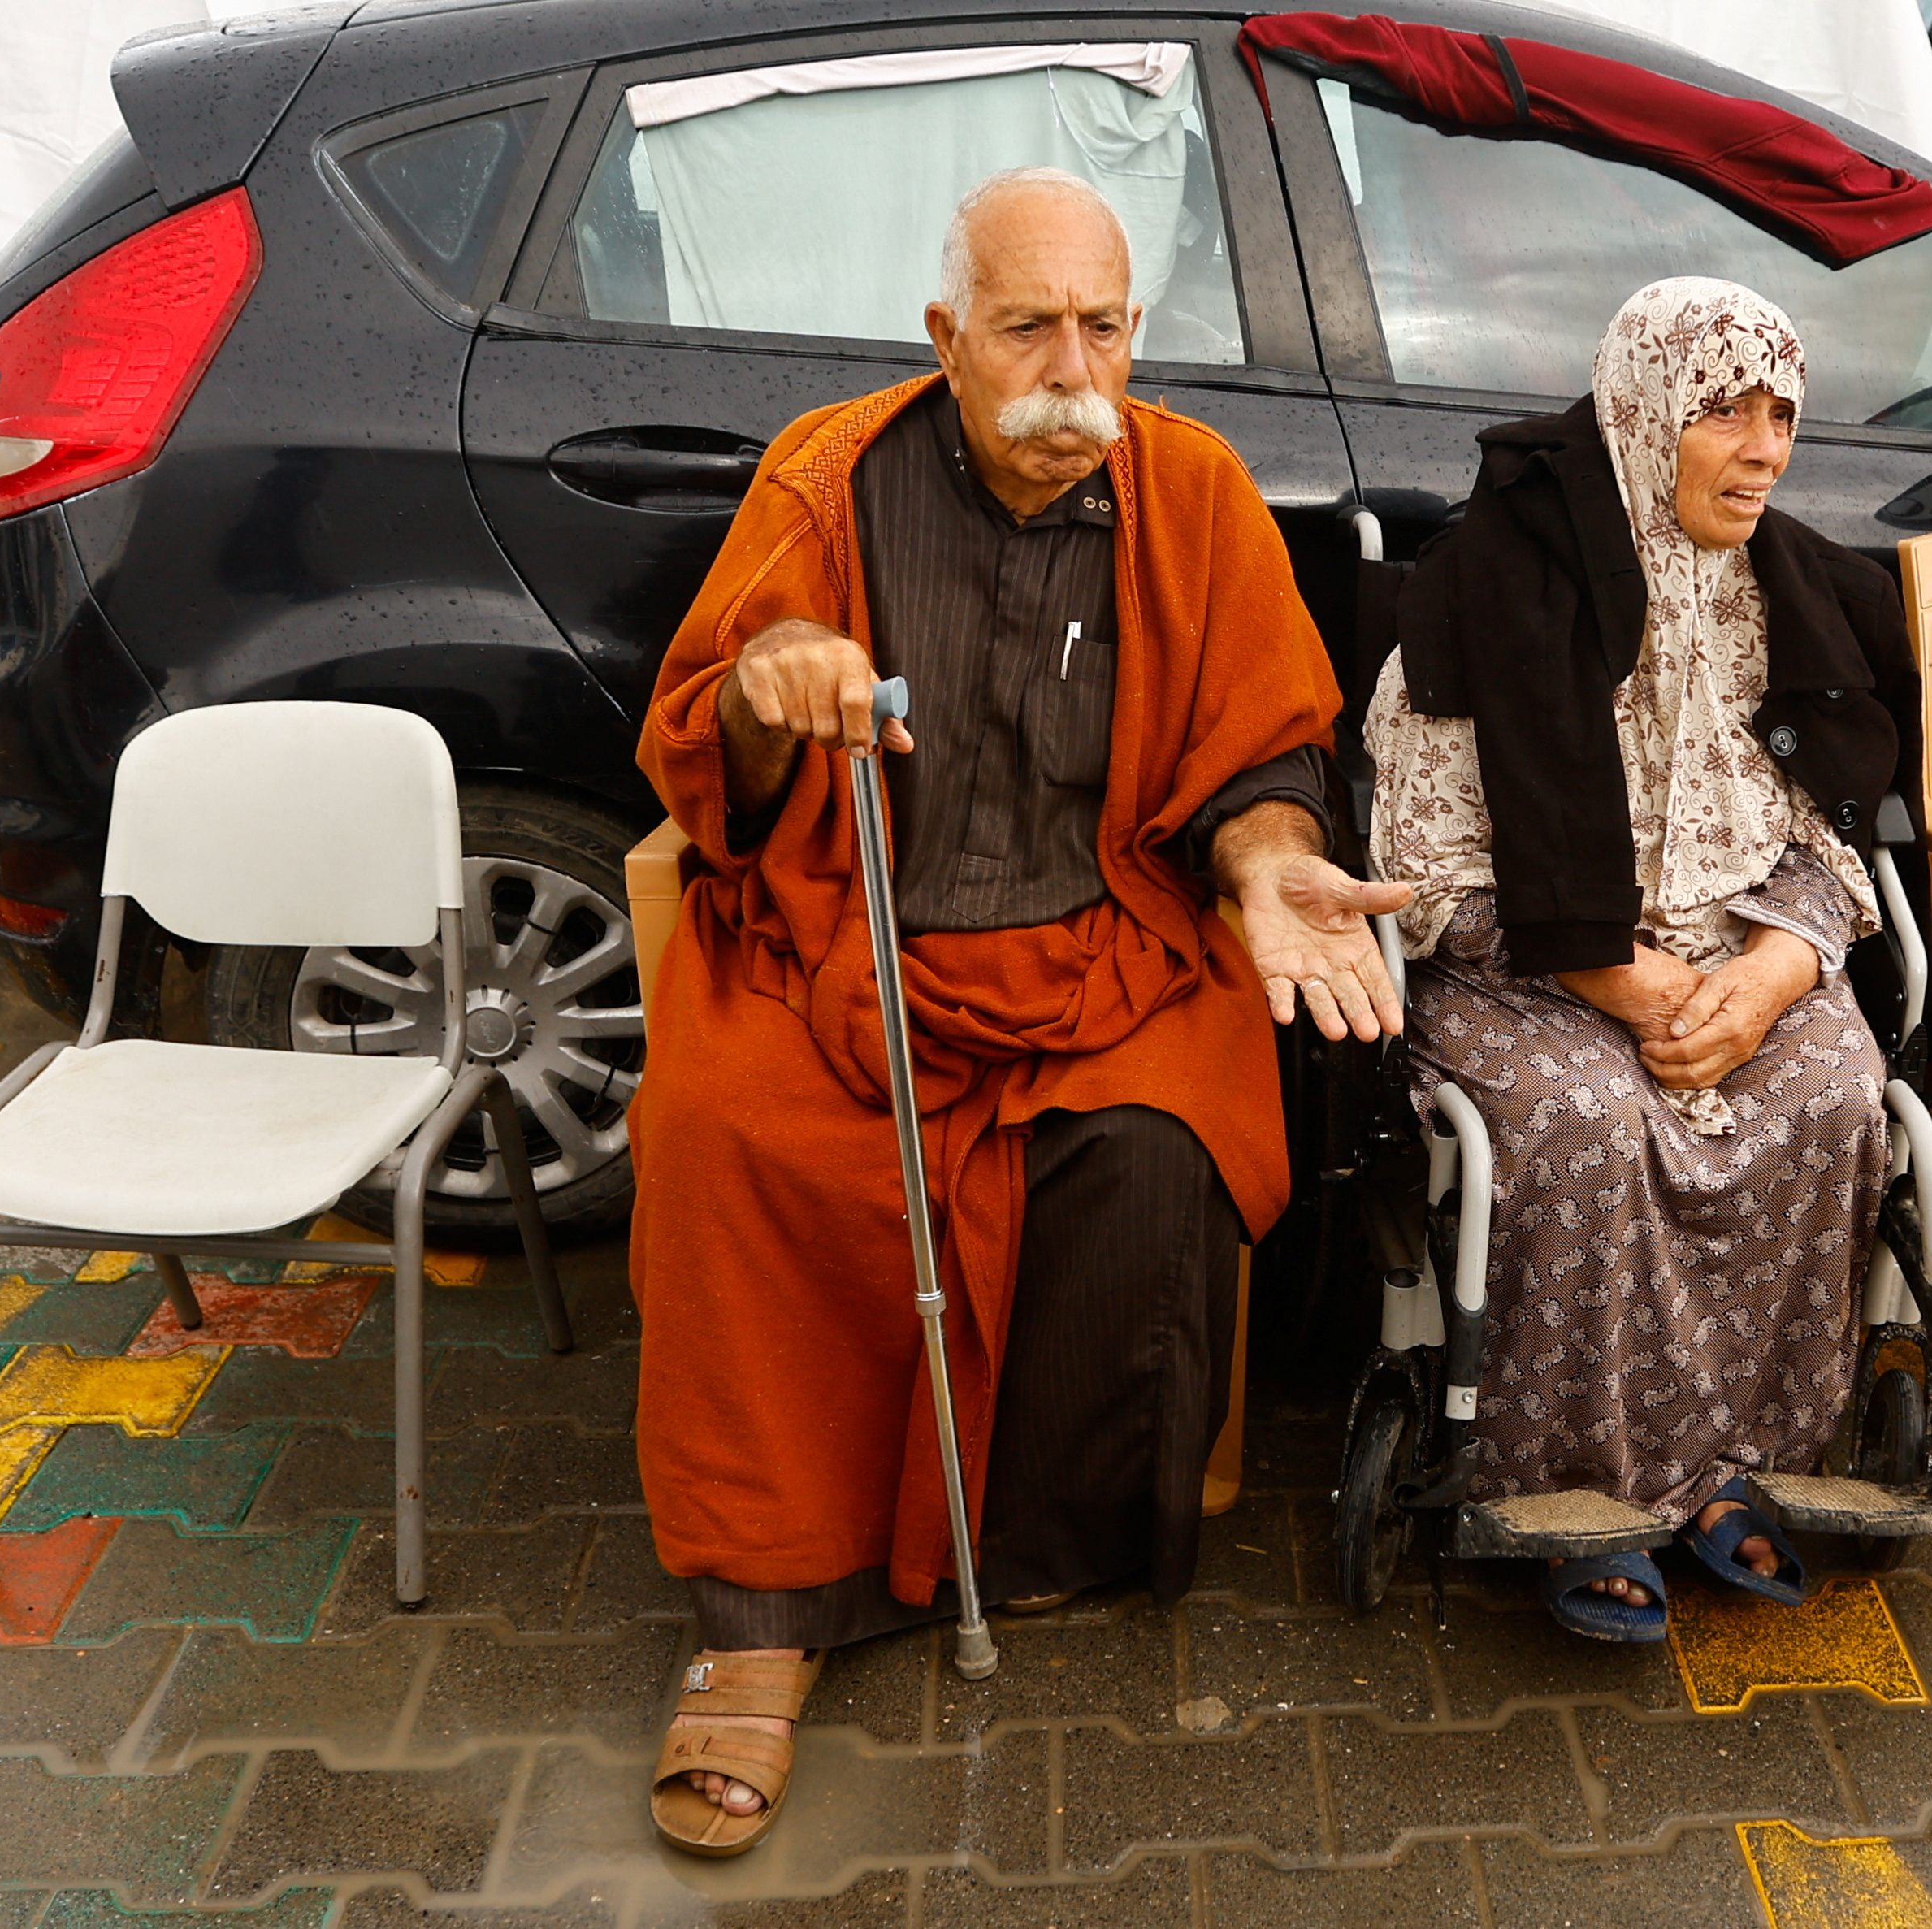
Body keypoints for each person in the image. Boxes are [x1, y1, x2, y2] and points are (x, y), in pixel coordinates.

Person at [630, 165, 1407, 1855]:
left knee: (1154, 1147)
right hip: (848, 941)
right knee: (725, 1136)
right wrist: (773, 693)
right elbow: (714, 747)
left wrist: (1269, 860)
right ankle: (761, 1616)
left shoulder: (1190, 489)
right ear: (944, 334)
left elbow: (1264, 754)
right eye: (1027, 325)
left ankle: (1043, 1544)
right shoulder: (826, 476)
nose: (1073, 367)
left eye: (1104, 326)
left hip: (1102, 947)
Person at [1364, 278, 1925, 1644]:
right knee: (1593, 1120)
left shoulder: (1796, 591)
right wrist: (1615, 975)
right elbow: (1423, 861)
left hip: (1742, 953)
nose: (1762, 448)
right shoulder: (1487, 586)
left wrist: (1780, 969)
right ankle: (1576, 1485)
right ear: (1641, 412)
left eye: (1782, 413)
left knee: (1830, 1093)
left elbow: (1838, 824)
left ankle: (1748, 1456)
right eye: (1721, 410)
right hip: (1518, 964)